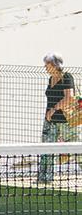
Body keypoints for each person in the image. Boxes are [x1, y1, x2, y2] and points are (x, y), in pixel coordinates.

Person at [39, 54, 76, 184]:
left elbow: (69, 98)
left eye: (47, 64)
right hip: (50, 121)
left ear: (55, 65)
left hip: (66, 122)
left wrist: (54, 109)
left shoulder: (67, 77)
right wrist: (49, 114)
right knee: (46, 150)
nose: (45, 67)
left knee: (77, 151)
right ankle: (44, 179)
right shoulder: (50, 79)